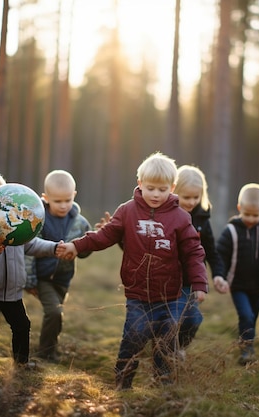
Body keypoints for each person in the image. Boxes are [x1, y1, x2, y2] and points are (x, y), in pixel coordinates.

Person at [58, 152, 208, 390]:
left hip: (172, 295)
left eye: (162, 189)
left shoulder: (180, 217)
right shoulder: (127, 211)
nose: (156, 194)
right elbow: (104, 236)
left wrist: (199, 284)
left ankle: (163, 382)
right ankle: (123, 382)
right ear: (139, 184)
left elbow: (193, 251)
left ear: (172, 187)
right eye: (150, 188)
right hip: (138, 294)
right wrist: (76, 245)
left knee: (166, 340)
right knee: (134, 336)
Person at [0, 166, 61, 373]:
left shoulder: (14, 224)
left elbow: (31, 245)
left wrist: (53, 248)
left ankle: (21, 364)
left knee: (22, 326)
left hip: (13, 292)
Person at [23, 170, 92, 364]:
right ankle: (46, 353)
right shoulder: (38, 220)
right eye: (57, 201)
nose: (63, 205)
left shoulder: (80, 223)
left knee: (55, 315)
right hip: (42, 278)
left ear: (74, 195)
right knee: (54, 312)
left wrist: (93, 239)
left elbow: (85, 252)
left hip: (63, 278)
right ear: (45, 198)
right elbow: (28, 251)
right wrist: (29, 280)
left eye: (67, 200)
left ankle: (49, 346)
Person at [215, 183, 259, 365]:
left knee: (252, 318)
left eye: (256, 215)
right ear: (239, 209)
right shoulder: (231, 231)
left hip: (258, 286)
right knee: (246, 315)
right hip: (237, 285)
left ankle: (246, 343)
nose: (251, 219)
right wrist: (220, 276)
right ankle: (246, 351)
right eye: (247, 215)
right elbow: (220, 255)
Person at [171, 165, 229, 356]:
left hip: (190, 282)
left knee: (193, 320)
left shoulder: (202, 219)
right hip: (167, 279)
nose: (191, 202)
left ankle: (179, 347)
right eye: (186, 197)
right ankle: (165, 353)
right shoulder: (165, 215)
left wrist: (219, 275)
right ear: (174, 191)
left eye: (196, 197)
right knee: (170, 320)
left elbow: (211, 251)